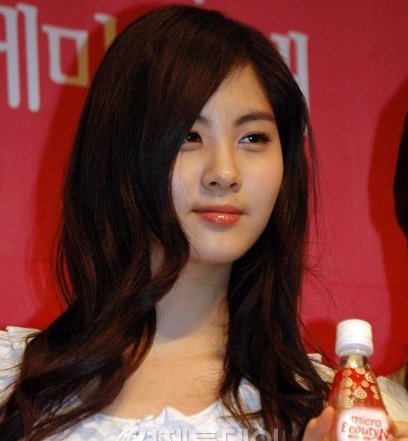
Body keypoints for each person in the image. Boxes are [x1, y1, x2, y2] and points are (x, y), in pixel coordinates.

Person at [0, 5, 407, 441]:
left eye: (253, 138)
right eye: (189, 137)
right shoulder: (13, 385)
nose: (224, 172)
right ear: (119, 152)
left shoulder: (348, 413)